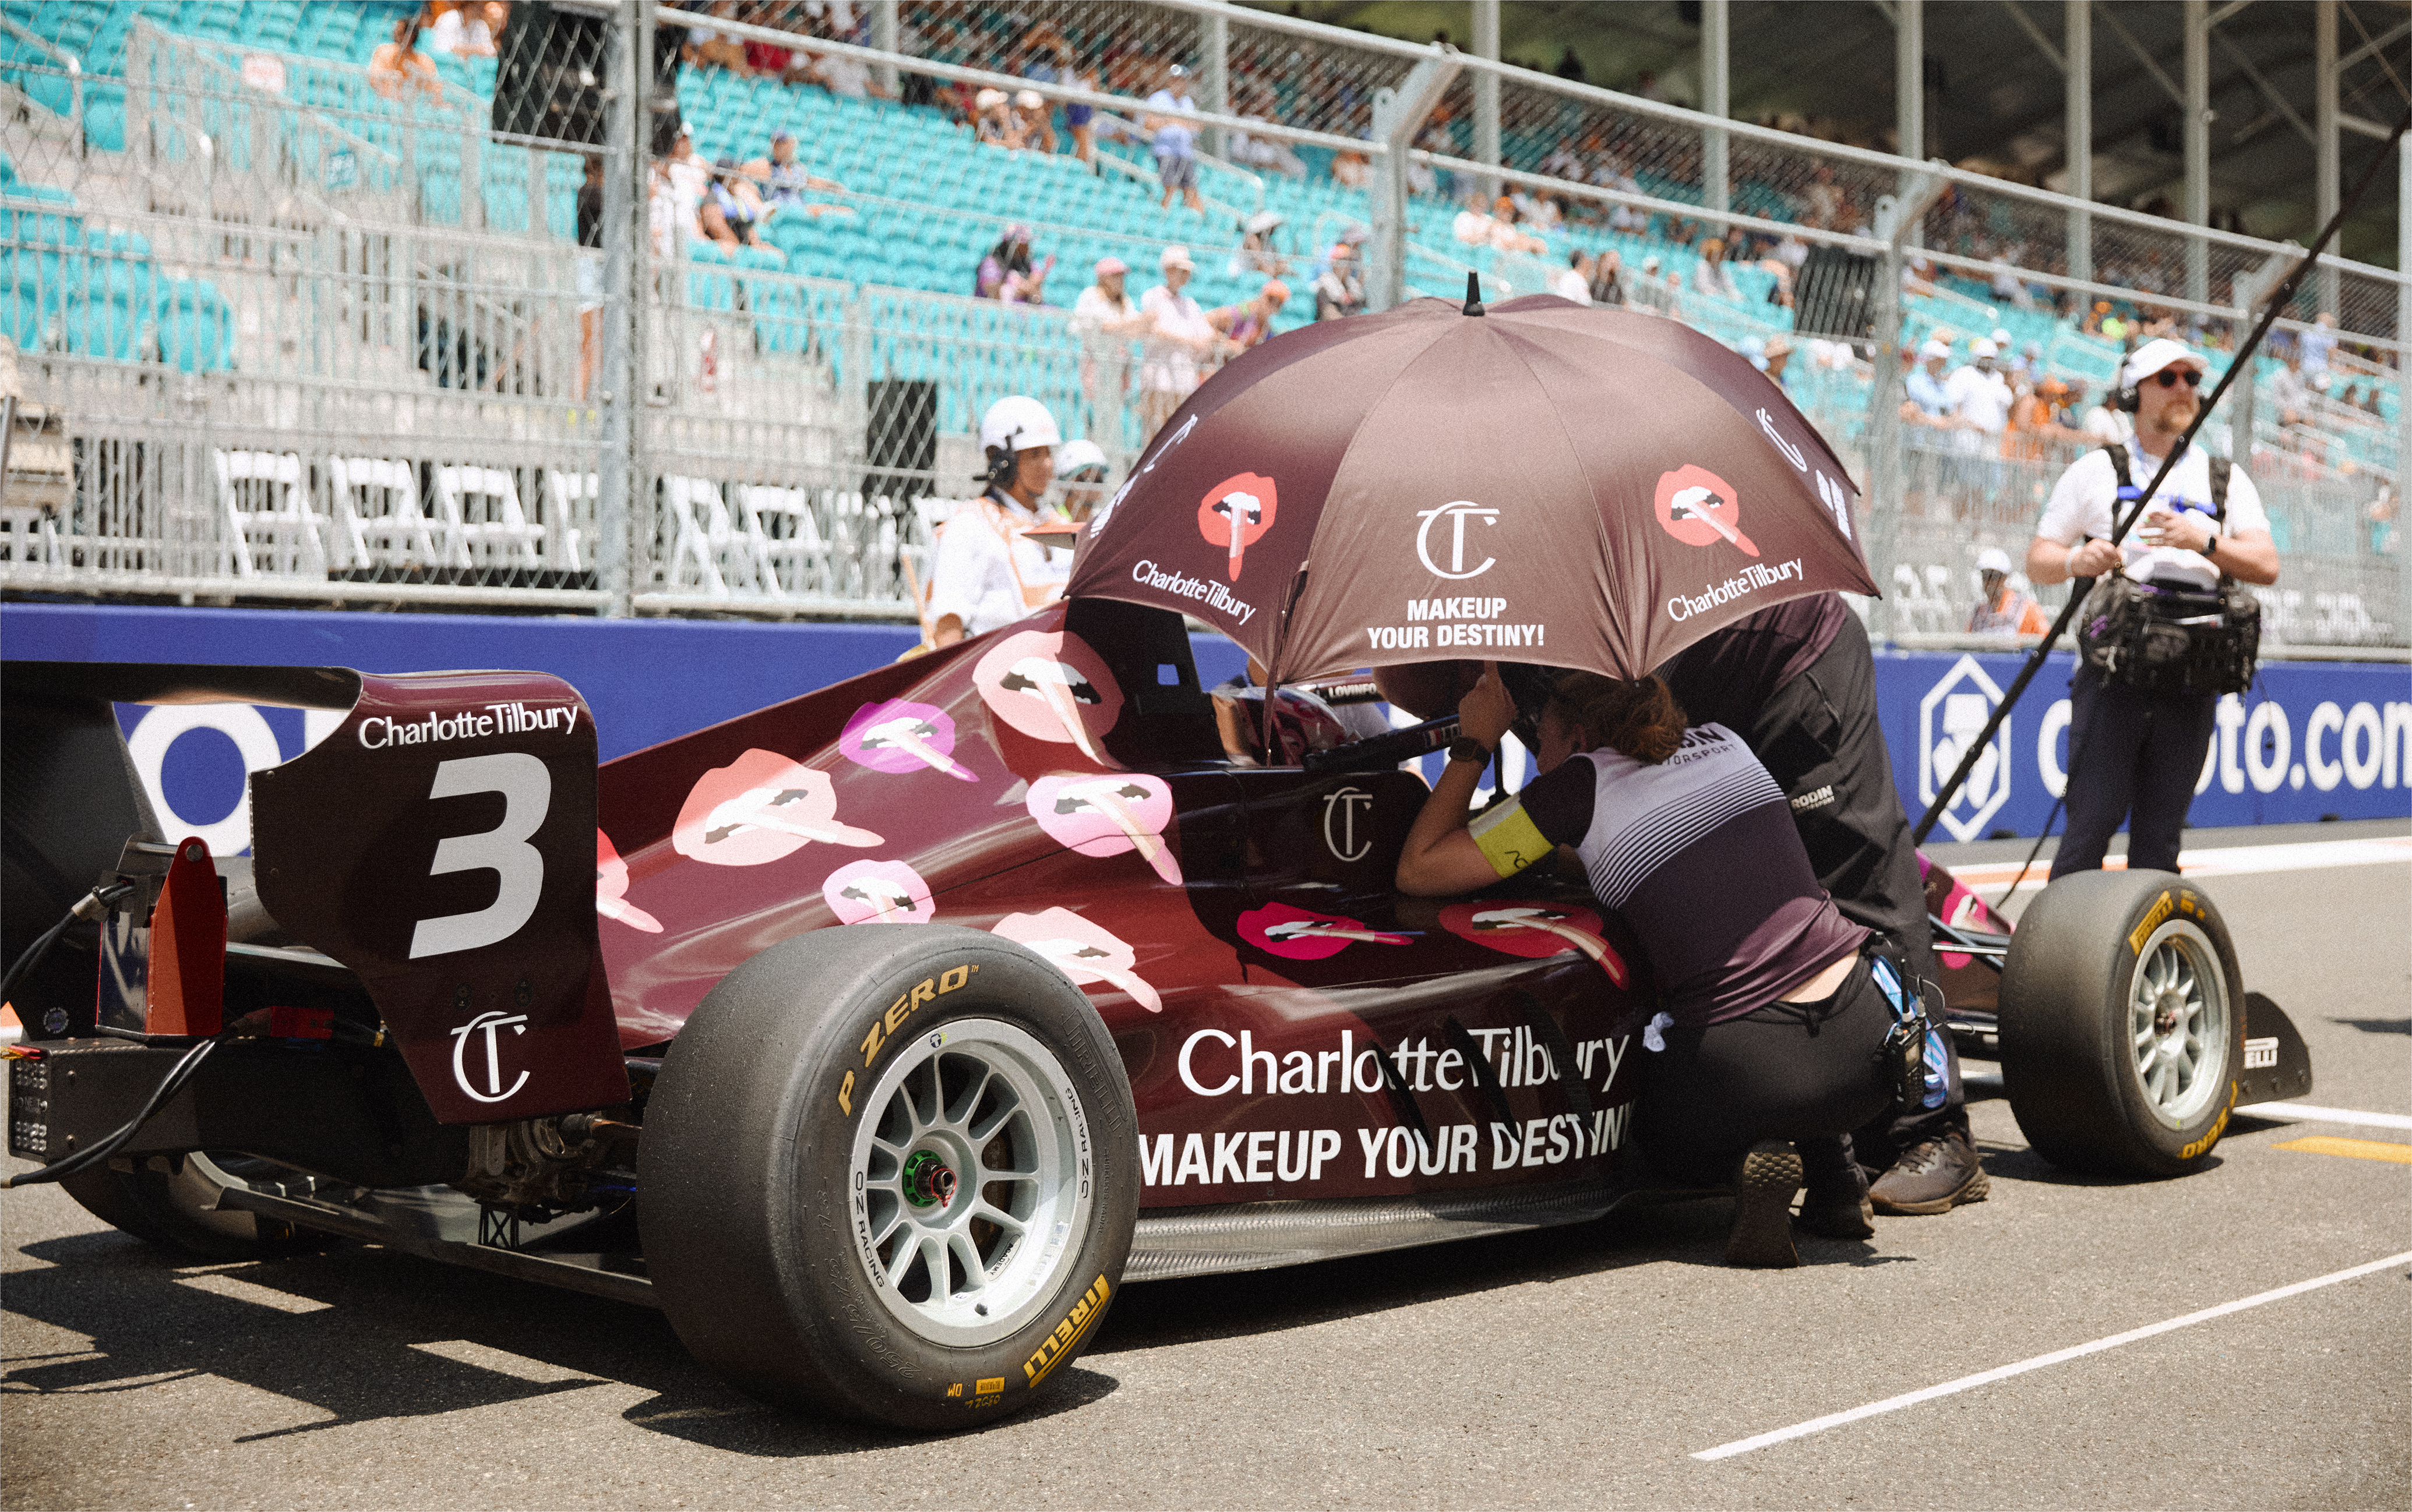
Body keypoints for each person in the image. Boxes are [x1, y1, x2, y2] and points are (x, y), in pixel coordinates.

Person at [1395, 665, 1897, 1269]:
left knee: (1640, 1131)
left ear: (1576, 735)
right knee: (1777, 967)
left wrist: (1475, 742)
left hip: (1753, 1066)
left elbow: (1419, 870)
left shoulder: (1577, 787)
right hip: (1871, 1041)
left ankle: (1740, 1162)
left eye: (1540, 739)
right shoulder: (1726, 739)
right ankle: (1836, 1174)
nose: (1536, 757)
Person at [2027, 337, 2281, 878]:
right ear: (2133, 393)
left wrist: (2204, 541)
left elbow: (2266, 563)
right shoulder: (2097, 471)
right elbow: (2039, 560)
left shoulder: (2224, 478)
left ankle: (2146, 955)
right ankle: (2063, 956)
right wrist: (2079, 559)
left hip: (2193, 673)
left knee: (2160, 842)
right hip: (2115, 674)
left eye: (2192, 379)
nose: (2184, 389)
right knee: (2089, 827)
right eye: (2168, 379)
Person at [926, 396, 1070, 647]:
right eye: (1035, 454)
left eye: (1048, 452)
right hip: (995, 672)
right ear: (1002, 462)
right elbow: (949, 626)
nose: (1047, 464)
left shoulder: (1056, 524)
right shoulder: (971, 525)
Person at [1138, 245, 1214, 437]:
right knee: (1155, 435)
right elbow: (1152, 329)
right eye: (1181, 270)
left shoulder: (1190, 304)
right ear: (1168, 270)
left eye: (1187, 271)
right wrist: (1189, 341)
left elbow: (1205, 334)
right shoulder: (1153, 296)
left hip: (1183, 379)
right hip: (1159, 377)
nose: (1185, 275)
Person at [1071, 256, 1151, 428]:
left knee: (1113, 416)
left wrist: (1142, 323)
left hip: (1118, 366)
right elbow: (1103, 327)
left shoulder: (1124, 301)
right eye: (1115, 276)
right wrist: (1137, 323)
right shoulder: (1091, 296)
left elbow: (1133, 330)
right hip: (1096, 363)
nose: (1120, 280)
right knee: (1097, 415)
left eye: (1121, 276)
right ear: (1103, 278)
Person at [745, 130, 848, 220]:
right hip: (778, 207)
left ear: (792, 145)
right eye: (776, 143)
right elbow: (740, 171)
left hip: (801, 208)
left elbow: (811, 182)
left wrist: (834, 186)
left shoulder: (798, 169)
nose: (779, 147)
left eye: (783, 143)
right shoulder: (766, 166)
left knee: (845, 211)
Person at [1144, 64, 1205, 213]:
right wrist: (1171, 121)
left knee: (1191, 191)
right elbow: (1148, 123)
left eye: (1181, 80)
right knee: (1170, 189)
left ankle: (1201, 223)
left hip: (1185, 152)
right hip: (1165, 150)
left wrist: (1175, 121)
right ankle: (1163, 218)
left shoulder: (1187, 102)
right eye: (1174, 80)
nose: (1177, 83)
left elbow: (1198, 126)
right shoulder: (1158, 98)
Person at [1967, 547, 2048, 635]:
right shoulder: (1979, 613)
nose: (1990, 582)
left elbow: (2046, 638)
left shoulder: (2026, 608)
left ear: (2005, 578)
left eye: (1995, 576)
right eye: (1986, 576)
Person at [368, 16, 443, 104]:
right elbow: (374, 78)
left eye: (399, 32)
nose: (394, 33)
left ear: (411, 36)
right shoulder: (383, 51)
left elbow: (435, 89)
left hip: (415, 105)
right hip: (386, 101)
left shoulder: (425, 61)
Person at [1207, 280, 1288, 355]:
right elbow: (1207, 321)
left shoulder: (1266, 330)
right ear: (1262, 296)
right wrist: (1227, 343)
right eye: (1270, 299)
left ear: (1278, 310)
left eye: (1278, 304)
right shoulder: (1243, 312)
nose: (1272, 306)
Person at [1313, 242, 1364, 322]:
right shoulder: (1325, 285)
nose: (1347, 264)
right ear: (1334, 264)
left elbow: (1361, 301)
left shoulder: (1351, 284)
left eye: (1349, 261)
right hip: (1333, 327)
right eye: (1343, 260)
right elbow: (1329, 313)